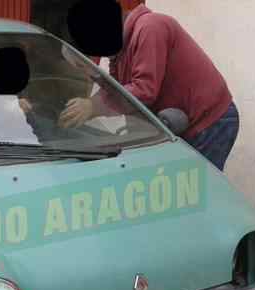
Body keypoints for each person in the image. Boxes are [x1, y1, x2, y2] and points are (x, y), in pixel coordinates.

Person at [59, 0, 239, 171]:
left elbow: (144, 91)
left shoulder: (150, 28)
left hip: (210, 121)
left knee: (198, 192)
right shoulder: (118, 52)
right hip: (178, 124)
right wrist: (92, 77)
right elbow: (120, 93)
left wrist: (93, 106)